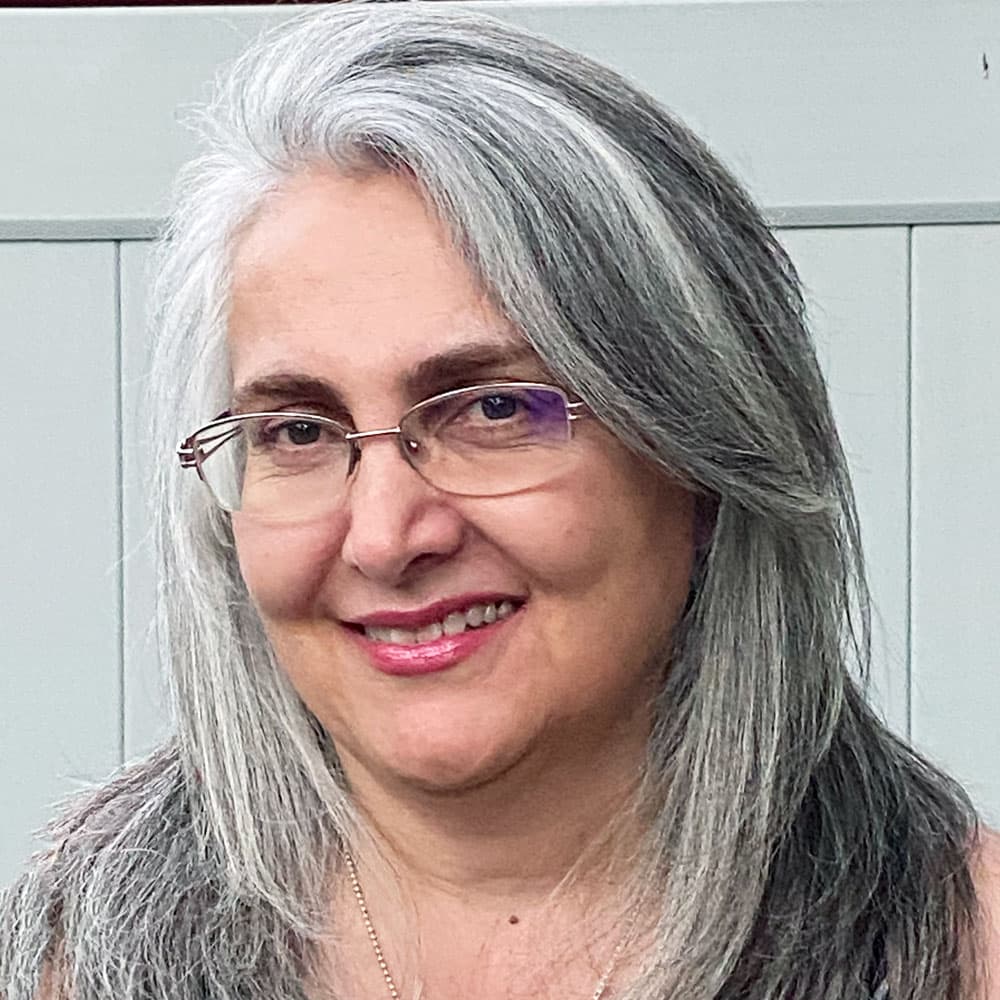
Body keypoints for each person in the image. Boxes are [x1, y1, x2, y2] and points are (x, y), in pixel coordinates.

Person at [2, 4, 997, 999]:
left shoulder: (966, 953)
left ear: (701, 456)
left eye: (493, 408)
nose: (384, 536)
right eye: (298, 431)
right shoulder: (75, 964)